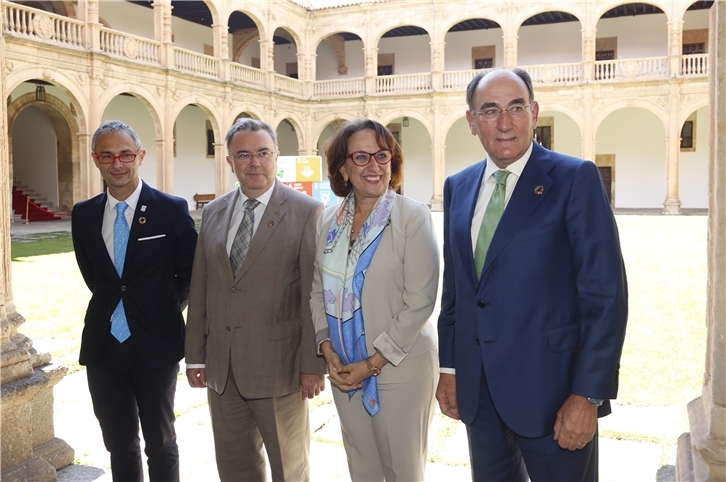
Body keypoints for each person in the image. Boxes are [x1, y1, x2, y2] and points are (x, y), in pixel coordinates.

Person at [436, 68, 628, 481]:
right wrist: (450, 369)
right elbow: (456, 292)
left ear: (534, 112)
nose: (505, 123)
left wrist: (588, 396)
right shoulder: (458, 186)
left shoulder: (574, 178)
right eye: (490, 110)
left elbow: (605, 296)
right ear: (471, 121)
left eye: (516, 107)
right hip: (479, 394)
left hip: (554, 397)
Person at [184, 118, 326, 481]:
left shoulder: (305, 211)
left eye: (263, 153)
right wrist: (195, 356)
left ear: (276, 156)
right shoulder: (214, 212)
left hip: (279, 369)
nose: (254, 162)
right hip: (222, 370)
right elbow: (202, 287)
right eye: (243, 154)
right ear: (229, 161)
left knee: (289, 469)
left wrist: (313, 364)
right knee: (235, 469)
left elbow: (314, 293)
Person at [310, 118, 440, 481]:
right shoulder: (327, 222)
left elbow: (420, 301)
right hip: (345, 370)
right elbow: (316, 290)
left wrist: (372, 363)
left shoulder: (411, 217)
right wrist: (327, 348)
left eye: (382, 155)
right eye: (362, 156)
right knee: (362, 470)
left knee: (402, 472)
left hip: (401, 369)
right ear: (343, 167)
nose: (374, 166)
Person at [71, 120, 198, 482]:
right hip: (103, 346)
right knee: (119, 443)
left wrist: (163, 311)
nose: (117, 163)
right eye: (107, 155)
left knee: (160, 442)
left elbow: (189, 272)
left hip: (155, 344)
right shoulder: (84, 214)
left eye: (126, 154)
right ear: (95, 159)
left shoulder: (170, 209)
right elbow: (94, 276)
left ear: (140, 155)